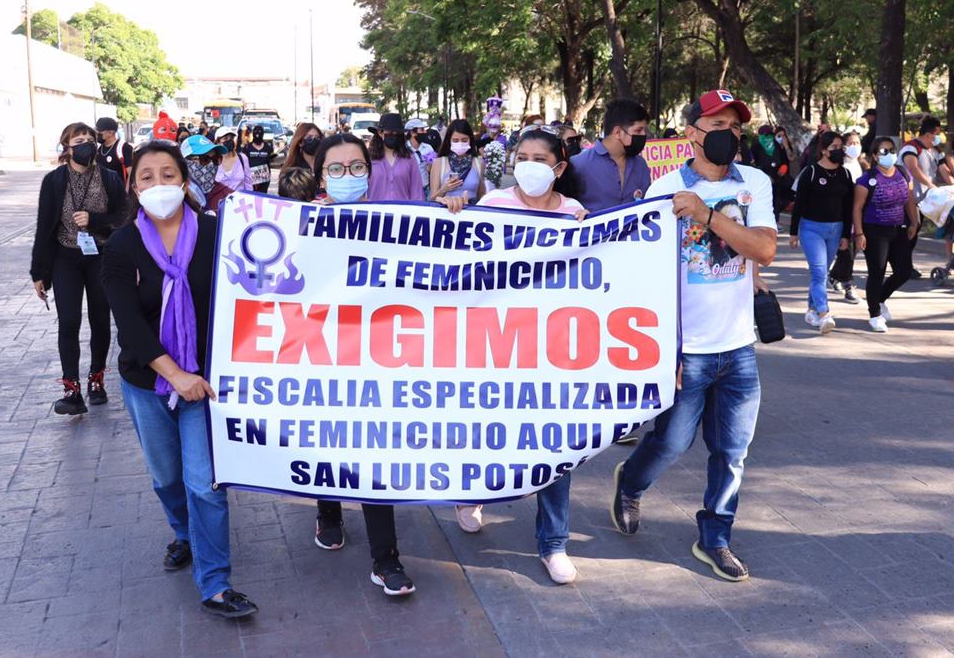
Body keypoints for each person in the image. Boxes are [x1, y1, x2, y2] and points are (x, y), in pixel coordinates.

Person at [611, 89, 777, 583]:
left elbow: (763, 250)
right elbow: (644, 271)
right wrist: (664, 346)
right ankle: (631, 482)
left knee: (732, 451)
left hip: (738, 346)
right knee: (671, 443)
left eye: (735, 126)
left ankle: (715, 537)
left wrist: (707, 215)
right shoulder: (663, 188)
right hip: (686, 347)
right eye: (717, 125)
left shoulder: (755, 183)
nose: (729, 134)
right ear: (691, 133)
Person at [101, 142, 258, 619]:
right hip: (148, 381)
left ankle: (214, 581)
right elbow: (129, 323)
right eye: (146, 176)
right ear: (134, 186)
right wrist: (175, 374)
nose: (158, 184)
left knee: (205, 484)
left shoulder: (216, 232)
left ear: (185, 182)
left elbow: (261, 274)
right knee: (166, 478)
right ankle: (184, 534)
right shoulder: (121, 245)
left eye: (168, 174)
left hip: (206, 385)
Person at [436, 127, 590, 585]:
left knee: (557, 442)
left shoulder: (576, 214)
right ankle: (471, 495)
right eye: (521, 156)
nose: (529, 164)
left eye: (540, 158)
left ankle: (554, 542)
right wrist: (453, 214)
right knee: (485, 429)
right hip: (495, 343)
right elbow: (457, 260)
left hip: (552, 348)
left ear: (559, 167)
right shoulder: (494, 205)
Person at [294, 132, 417, 596]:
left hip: (378, 356)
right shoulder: (302, 222)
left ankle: (386, 561)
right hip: (321, 351)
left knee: (372, 448)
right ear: (321, 173)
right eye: (336, 169)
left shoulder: (399, 220)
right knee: (327, 435)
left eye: (357, 167)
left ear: (371, 170)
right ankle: (328, 510)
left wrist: (453, 217)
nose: (348, 177)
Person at [30, 122, 129, 416]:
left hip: (100, 256)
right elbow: (43, 226)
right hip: (65, 258)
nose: (85, 143)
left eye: (89, 139)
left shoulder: (110, 178)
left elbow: (124, 216)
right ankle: (71, 389)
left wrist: (96, 220)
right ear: (67, 147)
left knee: (100, 319)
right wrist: (38, 272)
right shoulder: (54, 181)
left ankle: (96, 380)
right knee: (69, 321)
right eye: (79, 139)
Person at [790, 131, 854, 333]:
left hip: (835, 229)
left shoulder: (845, 174)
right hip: (811, 228)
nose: (839, 151)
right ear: (824, 150)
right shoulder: (810, 172)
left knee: (822, 273)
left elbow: (848, 207)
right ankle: (824, 314)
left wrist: (846, 235)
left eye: (840, 147)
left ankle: (811, 309)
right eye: (834, 147)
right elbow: (798, 204)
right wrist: (794, 232)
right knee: (819, 273)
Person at [853, 136, 920, 332]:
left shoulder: (902, 173)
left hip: (898, 228)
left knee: (904, 271)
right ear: (874, 155)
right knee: (877, 271)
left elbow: (909, 199)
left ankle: (880, 298)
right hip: (874, 230)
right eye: (883, 151)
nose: (888, 154)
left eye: (891, 150)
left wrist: (914, 221)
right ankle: (874, 313)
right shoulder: (867, 179)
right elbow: (857, 208)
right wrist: (859, 233)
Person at [566, 99, 651, 212]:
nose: (643, 135)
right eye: (638, 130)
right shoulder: (578, 165)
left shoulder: (640, 165)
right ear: (617, 132)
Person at [827, 131, 865, 303]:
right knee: (846, 252)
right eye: (851, 143)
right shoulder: (840, 166)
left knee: (853, 251)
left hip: (860, 215)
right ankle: (849, 286)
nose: (855, 146)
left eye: (857, 143)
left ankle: (834, 276)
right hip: (843, 216)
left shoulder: (862, 165)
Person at [367, 113, 424, 201]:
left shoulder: (409, 158)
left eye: (397, 133)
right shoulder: (368, 159)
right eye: (390, 132)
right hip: (375, 212)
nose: (394, 135)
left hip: (403, 212)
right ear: (380, 133)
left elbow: (417, 191)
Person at [429, 118, 484, 204]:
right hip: (446, 213)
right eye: (455, 140)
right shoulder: (439, 163)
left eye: (464, 140)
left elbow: (482, 196)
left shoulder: (478, 163)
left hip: (471, 213)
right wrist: (444, 189)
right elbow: (432, 199)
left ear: (470, 140)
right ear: (449, 141)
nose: (460, 143)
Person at [900, 115, 943, 199]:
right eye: (937, 134)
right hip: (911, 197)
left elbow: (944, 169)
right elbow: (913, 168)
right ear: (927, 135)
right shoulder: (910, 147)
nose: (939, 137)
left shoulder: (936, 151)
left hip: (928, 197)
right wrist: (929, 184)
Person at [181, 135, 227, 209]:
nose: (211, 164)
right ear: (186, 161)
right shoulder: (175, 198)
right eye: (205, 159)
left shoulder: (226, 195)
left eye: (215, 159)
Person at [210, 127, 251, 211]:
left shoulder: (242, 158)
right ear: (218, 142)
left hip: (240, 207)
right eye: (225, 138)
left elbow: (248, 183)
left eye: (231, 138)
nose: (229, 141)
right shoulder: (213, 162)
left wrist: (250, 203)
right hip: (219, 208)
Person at [405, 117, 437, 199]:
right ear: (412, 132)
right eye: (422, 130)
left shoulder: (428, 148)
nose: (425, 132)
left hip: (425, 189)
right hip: (409, 191)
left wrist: (431, 165)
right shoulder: (403, 150)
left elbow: (434, 169)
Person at [95, 117, 133, 181]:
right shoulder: (98, 148)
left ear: (110, 133)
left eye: (99, 132)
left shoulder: (124, 147)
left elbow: (131, 174)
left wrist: (125, 190)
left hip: (119, 189)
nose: (96, 134)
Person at [241, 124, 273, 193]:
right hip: (250, 176)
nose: (257, 134)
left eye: (260, 131)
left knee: (263, 196)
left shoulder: (268, 147)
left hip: (264, 177)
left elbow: (271, 159)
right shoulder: (247, 147)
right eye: (255, 131)